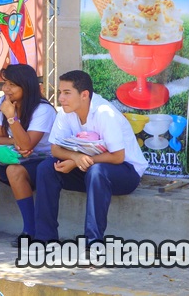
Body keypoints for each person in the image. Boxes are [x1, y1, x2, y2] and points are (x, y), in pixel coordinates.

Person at [33, 70, 148, 246]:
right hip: (87, 168)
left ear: (84, 95)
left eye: (66, 93)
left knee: (97, 172)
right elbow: (55, 149)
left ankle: (93, 241)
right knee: (46, 168)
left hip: (125, 172)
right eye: (60, 93)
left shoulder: (104, 112)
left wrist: (80, 160)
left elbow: (118, 157)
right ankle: (45, 237)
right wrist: (74, 157)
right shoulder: (66, 111)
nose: (61, 98)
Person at [0, 64, 56, 245]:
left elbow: (28, 145)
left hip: (43, 162)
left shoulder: (43, 109)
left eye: (12, 85)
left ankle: (30, 230)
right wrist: (17, 141)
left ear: (26, 86)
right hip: (17, 156)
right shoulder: (4, 103)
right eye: (5, 83)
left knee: (14, 170)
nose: (6, 89)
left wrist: (12, 118)